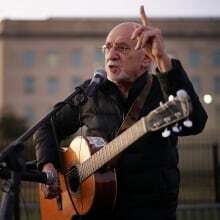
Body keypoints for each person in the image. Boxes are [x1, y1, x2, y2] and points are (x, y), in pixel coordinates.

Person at [34, 6, 207, 220]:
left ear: (146, 59)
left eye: (122, 48)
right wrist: (48, 165)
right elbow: (45, 126)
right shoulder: (91, 91)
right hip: (92, 213)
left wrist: (162, 58)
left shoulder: (163, 88)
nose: (111, 55)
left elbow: (196, 121)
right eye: (107, 47)